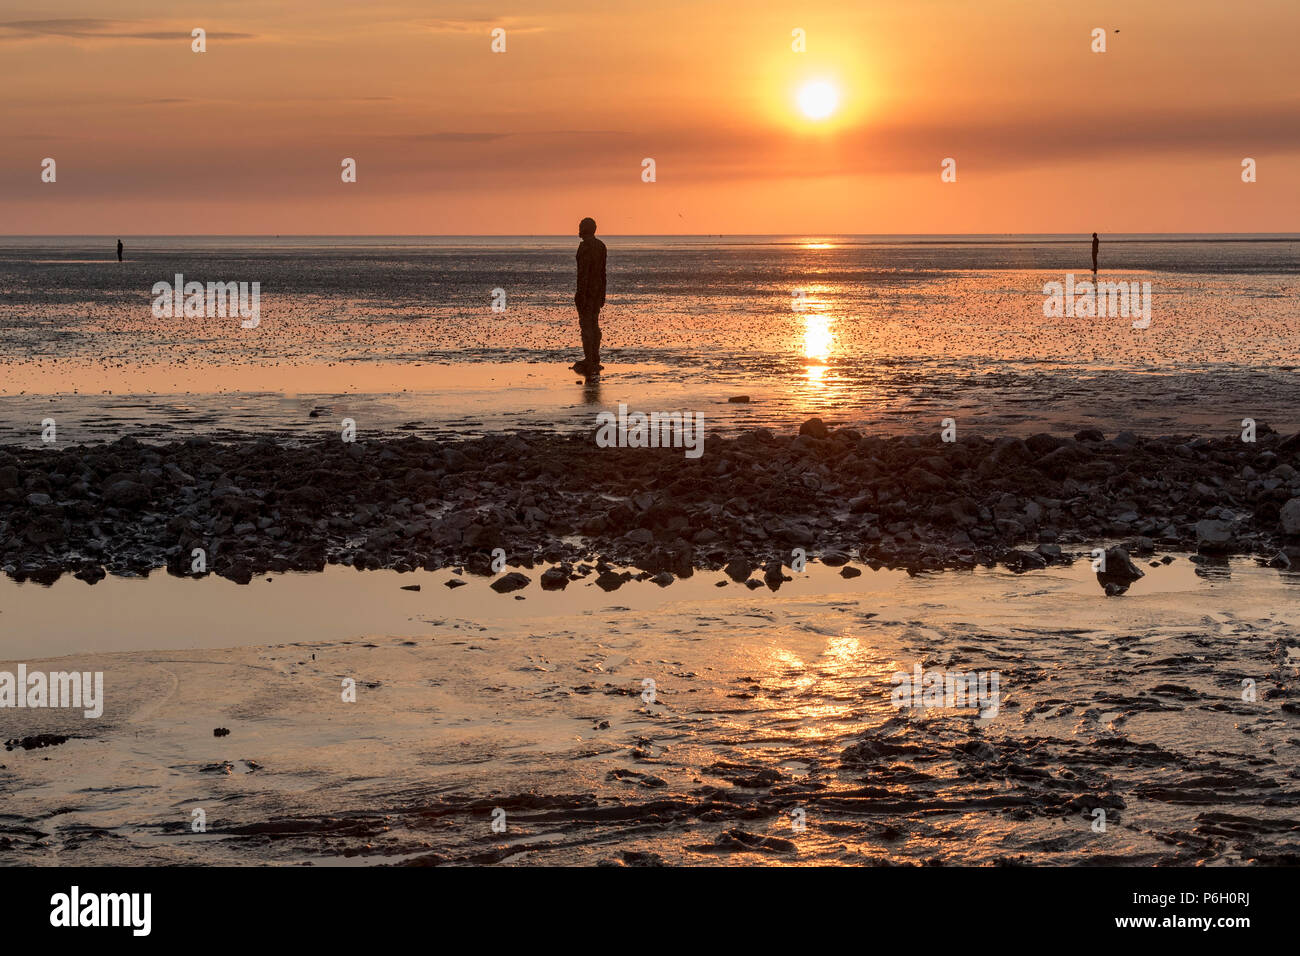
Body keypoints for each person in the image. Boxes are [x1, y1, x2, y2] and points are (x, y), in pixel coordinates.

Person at [574, 217, 606, 378]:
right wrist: (602, 294)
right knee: (593, 325)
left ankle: (590, 358)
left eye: (580, 226)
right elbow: (603, 273)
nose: (578, 228)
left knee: (587, 327)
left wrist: (580, 295)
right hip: (597, 292)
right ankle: (594, 357)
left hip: (587, 293)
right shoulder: (601, 246)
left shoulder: (586, 247)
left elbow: (583, 274)